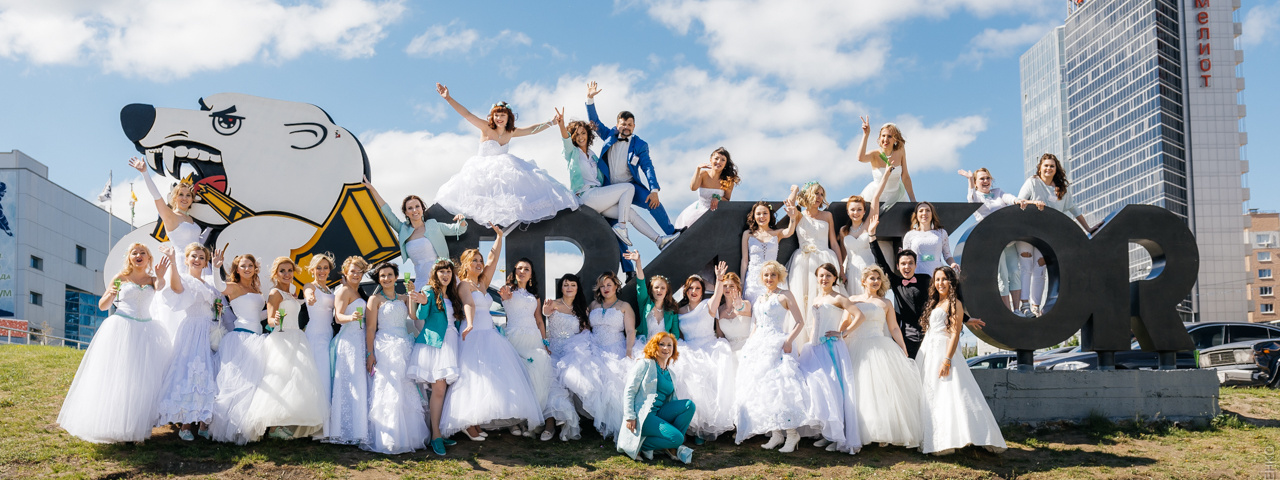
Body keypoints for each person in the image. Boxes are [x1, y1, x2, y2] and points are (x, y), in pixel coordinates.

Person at [58, 243, 172, 444]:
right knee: (120, 377)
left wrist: (161, 275)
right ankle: (116, 426)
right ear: (129, 258)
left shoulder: (153, 280)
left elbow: (160, 288)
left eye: (143, 253)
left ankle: (136, 428)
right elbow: (103, 306)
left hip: (146, 331)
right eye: (135, 253)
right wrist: (111, 293)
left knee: (141, 380)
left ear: (148, 258)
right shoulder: (120, 278)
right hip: (122, 328)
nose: (139, 255)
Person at [440, 228, 544, 441]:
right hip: (473, 333)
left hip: (489, 334)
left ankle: (476, 422)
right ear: (466, 264)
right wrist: (469, 324)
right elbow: (469, 303)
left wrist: (499, 237)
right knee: (472, 378)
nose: (479, 264)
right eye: (474, 261)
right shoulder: (463, 284)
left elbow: (492, 259)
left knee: (486, 379)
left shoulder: (483, 283)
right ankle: (467, 424)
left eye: (479, 261)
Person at [433, 83, 579, 227]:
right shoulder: (486, 128)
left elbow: (532, 129)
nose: (499, 118)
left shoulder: (511, 132)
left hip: (503, 173)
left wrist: (552, 122)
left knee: (518, 192)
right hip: (481, 172)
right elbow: (467, 114)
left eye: (502, 115)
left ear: (508, 117)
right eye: (496, 115)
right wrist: (448, 98)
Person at [586, 81, 678, 277]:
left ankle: (671, 233)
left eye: (629, 124)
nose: (626, 127)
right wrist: (590, 99)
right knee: (618, 231)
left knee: (652, 201)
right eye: (623, 124)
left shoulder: (640, 144)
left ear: (634, 126)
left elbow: (648, 167)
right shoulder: (609, 135)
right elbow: (594, 122)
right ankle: (629, 271)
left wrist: (654, 189)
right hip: (610, 191)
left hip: (631, 187)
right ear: (617, 124)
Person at [917, 266, 1006, 455]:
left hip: (944, 352)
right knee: (930, 394)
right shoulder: (934, 303)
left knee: (950, 393)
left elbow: (955, 334)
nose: (940, 283)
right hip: (929, 350)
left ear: (952, 282)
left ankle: (955, 438)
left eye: (944, 279)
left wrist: (947, 360)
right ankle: (933, 437)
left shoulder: (955, 303)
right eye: (937, 279)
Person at [733, 261, 817, 453]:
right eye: (766, 275)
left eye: (772, 275)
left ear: (779, 276)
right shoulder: (760, 297)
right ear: (761, 278)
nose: (769, 278)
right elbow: (756, 324)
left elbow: (799, 321)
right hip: (759, 345)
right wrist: (750, 344)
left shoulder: (784, 295)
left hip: (776, 344)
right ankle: (776, 434)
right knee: (763, 389)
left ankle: (792, 433)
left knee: (779, 388)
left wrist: (788, 341)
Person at [556, 111, 672, 248]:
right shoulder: (572, 153)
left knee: (630, 213)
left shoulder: (593, 156)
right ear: (573, 137)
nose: (581, 137)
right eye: (577, 134)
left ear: (588, 134)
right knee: (629, 187)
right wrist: (561, 125)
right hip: (585, 196)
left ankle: (659, 241)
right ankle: (621, 227)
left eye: (583, 133)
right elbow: (566, 140)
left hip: (598, 199)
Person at [245, 257, 328, 441]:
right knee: (279, 379)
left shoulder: (292, 293)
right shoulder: (275, 293)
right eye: (282, 271)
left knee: (294, 380)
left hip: (297, 336)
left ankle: (283, 423)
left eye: (289, 270)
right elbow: (270, 319)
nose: (287, 274)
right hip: (282, 338)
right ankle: (274, 426)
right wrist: (277, 321)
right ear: (276, 274)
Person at [499, 258, 580, 442]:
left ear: (530, 274)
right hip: (514, 338)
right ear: (514, 271)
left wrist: (544, 342)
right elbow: (505, 298)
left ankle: (534, 419)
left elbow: (538, 320)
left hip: (534, 339)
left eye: (526, 269)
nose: (522, 271)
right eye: (519, 268)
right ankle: (514, 421)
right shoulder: (508, 291)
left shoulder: (534, 296)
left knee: (536, 379)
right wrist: (505, 295)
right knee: (516, 377)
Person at [845, 265, 923, 448]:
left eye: (878, 278)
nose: (875, 281)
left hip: (879, 345)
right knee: (859, 388)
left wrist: (903, 347)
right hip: (855, 345)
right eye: (871, 278)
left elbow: (894, 328)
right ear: (863, 281)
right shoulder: (853, 300)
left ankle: (880, 431)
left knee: (879, 390)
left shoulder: (886, 302)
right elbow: (846, 322)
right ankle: (860, 429)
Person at [153, 243, 224, 441]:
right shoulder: (184, 278)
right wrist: (173, 261)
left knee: (208, 372)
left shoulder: (209, 282)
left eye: (201, 257)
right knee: (189, 371)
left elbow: (217, 301)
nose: (197, 260)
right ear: (187, 259)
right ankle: (185, 424)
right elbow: (176, 288)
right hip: (192, 330)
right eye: (193, 256)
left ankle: (202, 422)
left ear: (205, 261)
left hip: (207, 329)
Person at [360, 262, 430, 454]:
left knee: (407, 388)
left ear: (396, 276)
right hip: (385, 347)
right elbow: (371, 328)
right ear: (378, 279)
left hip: (404, 346)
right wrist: (370, 353)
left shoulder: (403, 298)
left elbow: (414, 316)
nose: (386, 278)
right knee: (389, 388)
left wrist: (412, 295)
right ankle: (388, 438)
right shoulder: (374, 300)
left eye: (390, 275)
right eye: (382, 276)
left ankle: (411, 436)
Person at [1016, 153, 1097, 316]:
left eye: (1052, 166)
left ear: (1056, 169)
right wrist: (1034, 203)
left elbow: (1074, 209)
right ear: (1040, 168)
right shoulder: (1032, 182)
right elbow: (1019, 201)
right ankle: (1023, 305)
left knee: (1040, 269)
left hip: (1046, 236)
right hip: (1026, 232)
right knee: (1026, 267)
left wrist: (1088, 229)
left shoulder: (1061, 189)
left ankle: (1035, 308)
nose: (1048, 168)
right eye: (1045, 165)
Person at [796, 263, 865, 454]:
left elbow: (859, 316)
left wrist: (843, 333)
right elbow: (814, 323)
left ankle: (840, 436)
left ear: (834, 278)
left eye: (828, 276)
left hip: (831, 348)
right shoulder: (817, 298)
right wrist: (809, 345)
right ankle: (828, 433)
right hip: (815, 348)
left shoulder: (839, 298)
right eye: (820, 276)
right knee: (819, 389)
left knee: (835, 389)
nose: (824, 279)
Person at [559, 271, 637, 440]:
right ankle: (598, 419)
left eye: (609, 284)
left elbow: (630, 331)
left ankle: (609, 423)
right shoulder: (594, 305)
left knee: (612, 386)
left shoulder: (624, 306)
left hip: (615, 348)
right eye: (602, 286)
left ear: (616, 286)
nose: (606, 288)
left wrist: (628, 351)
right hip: (594, 347)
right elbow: (586, 326)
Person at [671, 264, 737, 442]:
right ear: (685, 291)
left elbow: (718, 295)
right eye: (690, 288)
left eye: (698, 288)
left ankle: (704, 428)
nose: (694, 291)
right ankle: (690, 425)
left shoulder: (707, 305)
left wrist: (720, 279)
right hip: (689, 349)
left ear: (702, 291)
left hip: (709, 348)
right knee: (688, 380)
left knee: (706, 382)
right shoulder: (679, 311)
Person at [209, 254, 268, 445]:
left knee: (254, 383)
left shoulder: (256, 289)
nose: (247, 269)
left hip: (257, 337)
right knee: (236, 383)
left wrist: (282, 305)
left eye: (250, 265)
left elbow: (257, 316)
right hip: (241, 338)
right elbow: (219, 287)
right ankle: (230, 427)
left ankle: (246, 426)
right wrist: (215, 267)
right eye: (243, 266)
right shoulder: (233, 287)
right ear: (237, 269)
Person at [409, 259, 464, 455]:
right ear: (436, 274)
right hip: (435, 344)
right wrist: (422, 302)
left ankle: (438, 430)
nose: (445, 274)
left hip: (452, 342)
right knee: (439, 389)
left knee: (444, 390)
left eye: (448, 271)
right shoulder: (429, 291)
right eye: (442, 271)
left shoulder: (452, 294)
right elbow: (420, 315)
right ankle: (436, 436)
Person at [618, 332, 696, 464]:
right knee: (678, 438)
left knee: (689, 405)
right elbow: (630, 390)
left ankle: (670, 445)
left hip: (659, 413)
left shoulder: (671, 373)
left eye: (669, 345)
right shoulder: (645, 364)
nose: (666, 348)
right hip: (644, 415)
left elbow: (672, 401)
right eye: (662, 344)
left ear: (673, 349)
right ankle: (641, 445)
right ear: (655, 346)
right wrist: (630, 416)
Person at [368, 180, 467, 283]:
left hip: (442, 279)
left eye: (417, 206)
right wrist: (372, 189)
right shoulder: (403, 229)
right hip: (421, 281)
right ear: (406, 212)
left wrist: (461, 219)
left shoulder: (433, 225)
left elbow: (459, 229)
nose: (414, 210)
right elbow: (387, 213)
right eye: (410, 208)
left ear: (422, 209)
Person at [784, 181, 844, 344]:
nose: (819, 197)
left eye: (821, 194)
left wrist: (841, 267)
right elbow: (789, 204)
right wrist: (795, 190)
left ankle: (826, 338)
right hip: (804, 263)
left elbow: (833, 242)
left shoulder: (827, 216)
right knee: (803, 299)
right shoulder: (799, 215)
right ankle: (804, 343)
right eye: (816, 193)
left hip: (825, 259)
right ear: (808, 194)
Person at [959, 168, 1023, 312]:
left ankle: (1017, 310)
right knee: (1002, 275)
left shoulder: (998, 192)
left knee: (1015, 272)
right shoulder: (975, 195)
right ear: (976, 183)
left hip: (1008, 239)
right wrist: (969, 180)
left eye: (987, 178)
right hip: (992, 242)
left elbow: (1009, 197)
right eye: (981, 179)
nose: (986, 181)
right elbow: (971, 201)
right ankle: (1007, 311)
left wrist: (1017, 201)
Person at [324, 256, 370, 445]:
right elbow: (338, 316)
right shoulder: (343, 290)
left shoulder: (358, 292)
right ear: (345, 272)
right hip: (348, 342)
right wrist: (351, 317)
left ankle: (359, 428)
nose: (357, 274)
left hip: (360, 341)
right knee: (349, 384)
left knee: (360, 383)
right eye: (353, 271)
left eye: (360, 271)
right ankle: (345, 430)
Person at [129, 157, 208, 253]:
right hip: (182, 263)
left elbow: (198, 243)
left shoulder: (190, 219)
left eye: (188, 195)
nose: (184, 198)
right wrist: (145, 172)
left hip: (201, 264)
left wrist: (210, 228)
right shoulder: (170, 215)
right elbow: (156, 196)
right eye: (181, 195)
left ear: (192, 199)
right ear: (174, 197)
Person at [301, 254, 336, 437]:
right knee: (318, 377)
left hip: (328, 335)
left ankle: (325, 423)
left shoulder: (331, 289)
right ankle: (316, 427)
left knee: (326, 377)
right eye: (318, 268)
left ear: (329, 270)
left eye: (325, 268)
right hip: (315, 335)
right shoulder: (310, 286)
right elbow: (308, 295)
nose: (322, 271)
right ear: (312, 270)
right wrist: (310, 298)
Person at [841, 166, 891, 294]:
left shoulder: (868, 224)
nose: (856, 212)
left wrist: (885, 174)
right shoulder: (844, 231)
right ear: (848, 212)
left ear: (864, 211)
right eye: (852, 210)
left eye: (859, 209)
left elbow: (876, 198)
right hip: (851, 272)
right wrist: (842, 272)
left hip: (868, 270)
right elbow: (842, 254)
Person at [623, 250, 680, 356]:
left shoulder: (671, 310)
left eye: (663, 288)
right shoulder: (645, 303)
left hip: (665, 349)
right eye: (656, 287)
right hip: (645, 347)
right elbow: (640, 283)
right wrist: (638, 262)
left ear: (666, 291)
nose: (659, 290)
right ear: (651, 290)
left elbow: (675, 333)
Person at [741, 201, 798, 302]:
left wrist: (792, 217)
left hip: (771, 277)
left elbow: (790, 231)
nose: (762, 216)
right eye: (758, 214)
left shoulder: (776, 233)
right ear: (754, 216)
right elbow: (744, 260)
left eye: (765, 213)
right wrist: (741, 282)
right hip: (753, 279)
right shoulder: (748, 234)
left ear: (770, 215)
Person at [855, 117, 915, 211]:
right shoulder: (875, 154)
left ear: (895, 139)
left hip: (896, 196)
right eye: (883, 136)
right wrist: (866, 135)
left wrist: (913, 200)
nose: (885, 139)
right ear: (880, 138)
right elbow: (860, 158)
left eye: (889, 136)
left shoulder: (900, 151)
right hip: (875, 196)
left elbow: (905, 176)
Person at [673, 147, 740, 230]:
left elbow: (727, 199)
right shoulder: (703, 174)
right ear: (711, 160)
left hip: (716, 214)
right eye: (716, 158)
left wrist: (718, 198)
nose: (719, 162)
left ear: (725, 164)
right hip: (698, 212)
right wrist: (698, 169)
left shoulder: (729, 180)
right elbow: (693, 187)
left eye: (723, 160)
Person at [901, 201, 958, 275]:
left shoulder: (941, 233)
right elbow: (906, 259)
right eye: (921, 211)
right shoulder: (909, 235)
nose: (924, 213)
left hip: (936, 277)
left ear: (932, 214)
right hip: (917, 276)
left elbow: (947, 256)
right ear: (916, 215)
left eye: (928, 210)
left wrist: (953, 264)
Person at [714, 272, 753, 353]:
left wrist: (739, 305)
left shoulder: (746, 304)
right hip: (729, 352)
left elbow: (742, 307)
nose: (728, 288)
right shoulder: (718, 310)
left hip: (748, 348)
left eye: (731, 286)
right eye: (725, 286)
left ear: (737, 289)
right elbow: (720, 337)